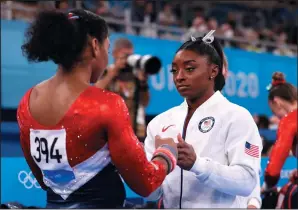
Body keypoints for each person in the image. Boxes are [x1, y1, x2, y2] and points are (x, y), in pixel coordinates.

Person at [17, 9, 178, 209]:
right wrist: (166, 153)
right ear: (95, 46)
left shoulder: (27, 101)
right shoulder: (106, 105)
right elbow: (146, 183)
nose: (107, 58)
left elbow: (44, 180)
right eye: (107, 49)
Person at [144, 32, 262, 208]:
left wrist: (197, 164)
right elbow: (152, 194)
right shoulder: (159, 123)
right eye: (174, 70)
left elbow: (247, 182)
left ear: (213, 71)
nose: (179, 77)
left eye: (189, 69)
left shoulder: (237, 116)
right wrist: (147, 171)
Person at [95, 38, 150, 141]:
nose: (128, 59)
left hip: (136, 130)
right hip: (112, 129)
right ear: (115, 54)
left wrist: (143, 83)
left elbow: (145, 102)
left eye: (131, 55)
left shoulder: (136, 75)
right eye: (125, 55)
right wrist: (114, 71)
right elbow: (95, 93)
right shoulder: (107, 72)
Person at [262, 72, 297, 209]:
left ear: (276, 102)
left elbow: (273, 169)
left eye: (274, 111)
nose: (276, 117)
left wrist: (268, 185)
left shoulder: (289, 120)